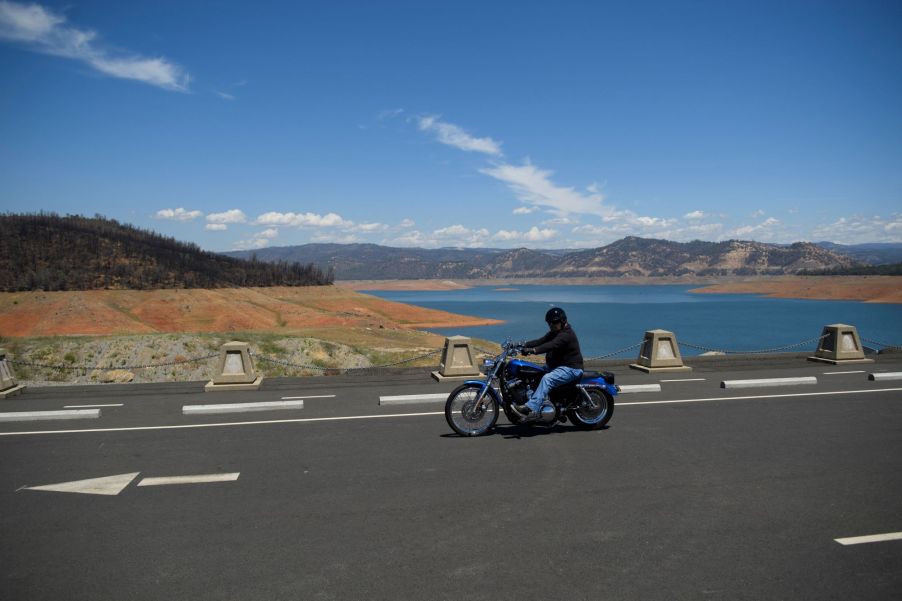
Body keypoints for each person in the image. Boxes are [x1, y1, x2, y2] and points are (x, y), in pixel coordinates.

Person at [512, 307, 584, 421]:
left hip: (571, 368)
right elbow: (540, 341)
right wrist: (521, 344)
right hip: (558, 367)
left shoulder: (566, 334)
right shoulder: (555, 332)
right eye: (549, 322)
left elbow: (551, 345)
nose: (551, 325)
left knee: (547, 379)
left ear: (563, 321)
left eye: (554, 322)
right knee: (534, 374)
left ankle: (531, 408)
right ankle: (537, 400)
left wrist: (533, 351)